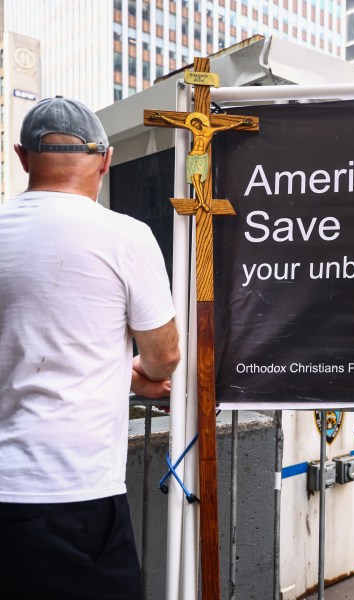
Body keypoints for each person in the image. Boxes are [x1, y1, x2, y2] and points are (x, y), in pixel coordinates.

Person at [0, 96, 180, 599]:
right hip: (75, 493)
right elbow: (164, 356)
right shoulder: (125, 236)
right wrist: (140, 374)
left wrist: (120, 369)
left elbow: (32, 346)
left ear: (21, 156)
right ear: (105, 159)